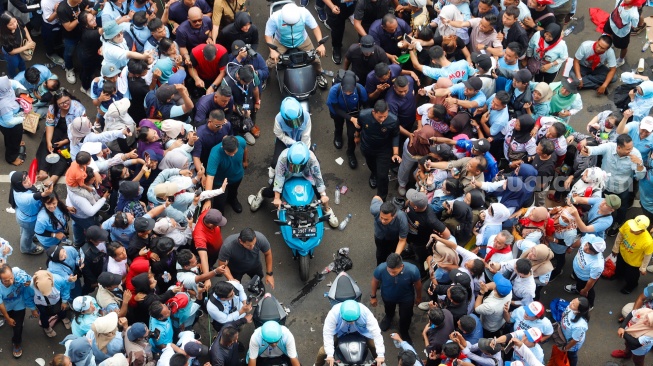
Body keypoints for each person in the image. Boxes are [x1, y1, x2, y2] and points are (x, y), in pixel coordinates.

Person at [582, 134, 645, 236]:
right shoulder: (609, 147)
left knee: (622, 208)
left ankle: (618, 223)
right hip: (605, 186)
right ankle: (598, 220)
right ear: (618, 147)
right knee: (602, 204)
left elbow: (641, 176)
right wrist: (586, 150)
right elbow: (595, 150)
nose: (631, 151)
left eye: (631, 148)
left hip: (622, 188)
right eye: (628, 149)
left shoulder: (635, 155)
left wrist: (639, 164)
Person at [264, 2, 329, 88]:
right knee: (271, 62)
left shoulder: (304, 13)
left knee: (315, 59)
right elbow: (268, 35)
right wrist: (272, 51)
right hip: (282, 42)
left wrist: (320, 44)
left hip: (302, 40)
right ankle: (264, 76)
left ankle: (319, 74)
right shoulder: (274, 18)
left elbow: (315, 27)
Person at [355, 100, 401, 200]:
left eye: (385, 116)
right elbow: (359, 126)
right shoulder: (363, 115)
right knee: (371, 165)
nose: (383, 119)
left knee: (383, 176)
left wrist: (395, 153)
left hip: (383, 150)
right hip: (367, 147)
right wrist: (357, 136)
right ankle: (374, 174)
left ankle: (382, 197)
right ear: (374, 112)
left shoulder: (393, 120)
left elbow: (396, 135)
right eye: (380, 117)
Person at [316, 300, 385, 366]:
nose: (351, 323)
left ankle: (380, 363)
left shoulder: (366, 313)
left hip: (361, 331)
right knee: (322, 352)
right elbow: (328, 333)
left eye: (354, 320)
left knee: (374, 346)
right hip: (340, 332)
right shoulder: (333, 314)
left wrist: (381, 355)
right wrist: (330, 355)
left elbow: (376, 333)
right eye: (347, 321)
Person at [371, 253, 421, 344]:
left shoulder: (412, 270)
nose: (391, 274)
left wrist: (419, 297)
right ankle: (389, 317)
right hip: (388, 296)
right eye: (389, 271)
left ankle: (404, 331)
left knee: (406, 316)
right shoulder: (381, 268)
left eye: (394, 272)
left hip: (406, 298)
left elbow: (418, 285)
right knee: (389, 309)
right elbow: (375, 280)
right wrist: (373, 296)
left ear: (401, 266)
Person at [326, 70, 368, 169]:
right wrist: (351, 118)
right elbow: (335, 108)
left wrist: (362, 119)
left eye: (350, 91)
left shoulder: (360, 89)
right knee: (338, 125)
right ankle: (338, 135)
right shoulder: (334, 90)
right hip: (339, 111)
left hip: (353, 112)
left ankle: (350, 152)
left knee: (351, 134)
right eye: (346, 91)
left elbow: (366, 105)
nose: (348, 93)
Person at [10, 171, 54, 255]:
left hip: (22, 215)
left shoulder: (16, 184)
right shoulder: (25, 198)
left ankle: (25, 236)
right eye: (25, 182)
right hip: (29, 220)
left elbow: (12, 173)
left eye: (28, 178)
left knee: (25, 231)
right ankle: (26, 248)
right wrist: (46, 192)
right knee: (28, 234)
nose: (29, 182)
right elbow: (37, 195)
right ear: (19, 184)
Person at [204, 135, 247, 213]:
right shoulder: (215, 153)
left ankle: (232, 200)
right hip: (220, 181)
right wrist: (208, 199)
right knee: (219, 201)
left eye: (234, 152)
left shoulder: (241, 141)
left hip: (237, 176)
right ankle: (219, 215)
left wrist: (245, 161)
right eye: (229, 153)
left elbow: (245, 149)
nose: (232, 155)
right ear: (223, 148)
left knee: (233, 192)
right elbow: (210, 177)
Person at [0, 265, 36, 358]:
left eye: (11, 278)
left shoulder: (17, 272)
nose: (11, 282)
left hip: (20, 303)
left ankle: (16, 342)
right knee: (11, 320)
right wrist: (7, 318)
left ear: (12, 272)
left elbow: (30, 279)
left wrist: (28, 281)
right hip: (7, 306)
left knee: (17, 326)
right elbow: (1, 305)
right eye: (6, 281)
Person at [612, 216, 653, 294]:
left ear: (642, 230)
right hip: (622, 253)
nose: (631, 229)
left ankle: (631, 286)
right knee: (619, 267)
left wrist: (643, 268)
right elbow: (620, 235)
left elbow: (647, 256)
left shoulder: (648, 242)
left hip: (634, 262)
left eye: (635, 229)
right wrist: (615, 248)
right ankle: (619, 275)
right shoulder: (628, 223)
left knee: (631, 277)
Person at [564, 234, 605, 309]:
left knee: (589, 292)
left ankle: (589, 305)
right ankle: (578, 288)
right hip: (577, 270)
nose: (585, 248)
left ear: (596, 252)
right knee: (578, 283)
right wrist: (572, 247)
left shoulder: (598, 264)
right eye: (586, 245)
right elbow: (580, 241)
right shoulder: (589, 237)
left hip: (584, 279)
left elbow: (592, 280)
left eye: (589, 250)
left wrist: (585, 290)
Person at [57, 0, 93, 84]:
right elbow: (68, 27)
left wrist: (94, 10)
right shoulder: (62, 8)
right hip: (70, 36)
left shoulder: (81, 2)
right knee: (69, 53)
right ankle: (69, 68)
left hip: (83, 32)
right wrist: (80, 17)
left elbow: (93, 7)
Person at [31, 269, 71, 338]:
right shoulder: (30, 285)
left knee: (61, 309)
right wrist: (33, 308)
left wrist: (64, 301)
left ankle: (63, 317)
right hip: (41, 304)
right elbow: (28, 297)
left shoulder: (58, 280)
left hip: (57, 301)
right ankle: (46, 327)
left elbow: (66, 288)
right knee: (43, 315)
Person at [370, 196, 408, 266]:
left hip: (393, 238)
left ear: (394, 216)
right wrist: (382, 203)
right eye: (381, 217)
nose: (383, 221)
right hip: (379, 236)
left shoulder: (401, 219)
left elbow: (402, 240)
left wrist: (395, 257)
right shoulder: (374, 209)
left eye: (386, 219)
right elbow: (376, 197)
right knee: (380, 255)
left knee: (392, 252)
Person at [604, 0, 643, 67]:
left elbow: (634, 25)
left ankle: (620, 60)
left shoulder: (634, 14)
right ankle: (611, 43)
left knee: (623, 47)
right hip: (612, 22)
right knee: (610, 34)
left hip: (621, 32)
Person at [475, 272, 513, 337]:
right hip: (499, 322)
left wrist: (481, 292)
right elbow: (493, 285)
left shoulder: (490, 306)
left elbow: (477, 309)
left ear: (495, 290)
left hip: (489, 328)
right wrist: (486, 286)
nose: (494, 283)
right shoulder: (508, 291)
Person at [0, 76, 26, 166]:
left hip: (13, 119)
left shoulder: (3, 86)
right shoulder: (4, 105)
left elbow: (14, 83)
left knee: (12, 138)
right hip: (10, 126)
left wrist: (24, 92)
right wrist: (23, 118)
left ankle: (16, 142)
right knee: (13, 142)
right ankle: (11, 158)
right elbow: (9, 121)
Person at [0, 11, 34, 78]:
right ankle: (12, 77)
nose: (15, 25)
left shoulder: (18, 20)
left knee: (22, 63)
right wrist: (26, 47)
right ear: (5, 26)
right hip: (11, 54)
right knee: (13, 65)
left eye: (15, 21)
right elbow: (11, 52)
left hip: (21, 47)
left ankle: (23, 74)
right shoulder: (4, 36)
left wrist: (30, 39)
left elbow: (24, 28)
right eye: (11, 24)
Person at [559, 297, 591, 366]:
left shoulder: (580, 326)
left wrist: (566, 348)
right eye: (573, 300)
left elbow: (575, 340)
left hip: (572, 345)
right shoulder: (571, 306)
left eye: (574, 305)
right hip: (565, 337)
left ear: (578, 311)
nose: (571, 303)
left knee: (572, 356)